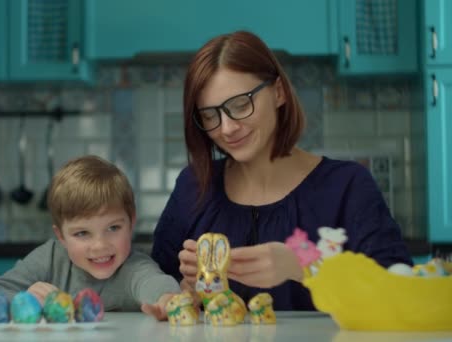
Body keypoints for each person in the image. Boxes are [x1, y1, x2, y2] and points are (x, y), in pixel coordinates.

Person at [150, 31, 412, 311]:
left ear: (278, 92)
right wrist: (182, 291)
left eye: (240, 104)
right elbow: (154, 284)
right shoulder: (193, 185)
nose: (226, 128)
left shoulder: (347, 187)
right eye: (210, 115)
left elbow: (402, 295)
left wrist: (305, 267)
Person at [0, 155, 180, 320]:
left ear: (131, 222)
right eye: (82, 233)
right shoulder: (50, 258)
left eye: (113, 228)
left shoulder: (134, 267)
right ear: (61, 236)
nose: (100, 245)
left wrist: (167, 299)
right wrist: (24, 299)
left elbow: (154, 283)